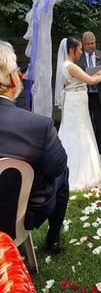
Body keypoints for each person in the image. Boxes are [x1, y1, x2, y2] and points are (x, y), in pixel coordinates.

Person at [0, 40, 69, 255]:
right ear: (13, 78)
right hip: (20, 218)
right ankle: (53, 237)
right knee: (63, 174)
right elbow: (57, 167)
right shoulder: (38, 126)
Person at [55, 37, 101, 190]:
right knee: (78, 133)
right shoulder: (71, 66)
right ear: (71, 50)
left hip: (76, 103)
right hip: (76, 104)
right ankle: (78, 173)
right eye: (80, 49)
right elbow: (91, 81)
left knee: (77, 131)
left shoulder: (67, 65)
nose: (81, 51)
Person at [77, 31, 101, 155]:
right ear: (83, 44)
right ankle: (88, 147)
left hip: (100, 94)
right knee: (86, 122)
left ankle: (100, 146)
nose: (91, 46)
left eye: (93, 43)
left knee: (100, 122)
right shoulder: (78, 57)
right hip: (85, 95)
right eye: (88, 44)